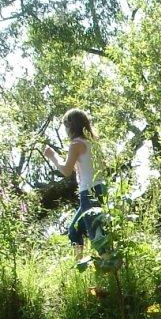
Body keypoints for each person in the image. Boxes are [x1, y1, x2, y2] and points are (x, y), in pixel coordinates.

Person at [44, 108, 104, 260]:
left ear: (71, 125)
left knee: (98, 236)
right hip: (100, 189)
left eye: (65, 125)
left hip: (88, 193)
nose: (65, 130)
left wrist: (53, 156)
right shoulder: (93, 143)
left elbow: (66, 170)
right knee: (74, 230)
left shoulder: (76, 144)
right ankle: (79, 265)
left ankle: (111, 267)